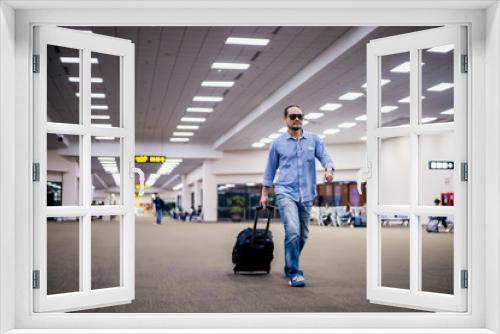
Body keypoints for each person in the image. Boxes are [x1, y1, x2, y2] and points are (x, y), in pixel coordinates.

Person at [260, 105, 334, 287]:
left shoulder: (314, 140)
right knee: (292, 231)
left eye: (300, 116)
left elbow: (325, 157)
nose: (297, 119)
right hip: (285, 192)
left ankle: (289, 263)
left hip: (307, 193)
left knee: (303, 235)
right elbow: (270, 170)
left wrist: (328, 169)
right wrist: (264, 194)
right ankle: (294, 272)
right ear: (285, 119)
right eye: (292, 116)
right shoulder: (278, 143)